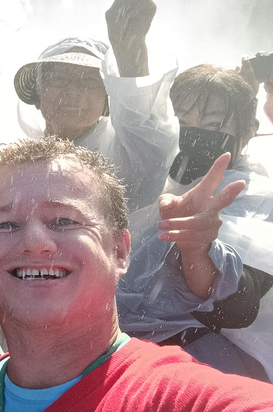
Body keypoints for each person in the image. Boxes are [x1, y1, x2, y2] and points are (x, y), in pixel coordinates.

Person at [0, 137, 273, 412]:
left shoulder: (176, 397)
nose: (34, 243)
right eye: (6, 224)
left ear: (120, 252)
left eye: (64, 221)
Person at [116, 65, 273, 382]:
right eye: (181, 122)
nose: (191, 135)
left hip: (203, 367)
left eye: (212, 124)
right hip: (132, 358)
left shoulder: (258, 199)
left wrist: (198, 250)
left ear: (248, 131)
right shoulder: (155, 183)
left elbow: (238, 303)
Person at [11, 0, 177, 211]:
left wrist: (130, 55)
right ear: (38, 91)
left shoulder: (122, 155)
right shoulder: (24, 157)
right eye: (58, 78)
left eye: (89, 81)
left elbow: (149, 141)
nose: (72, 91)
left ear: (107, 98)